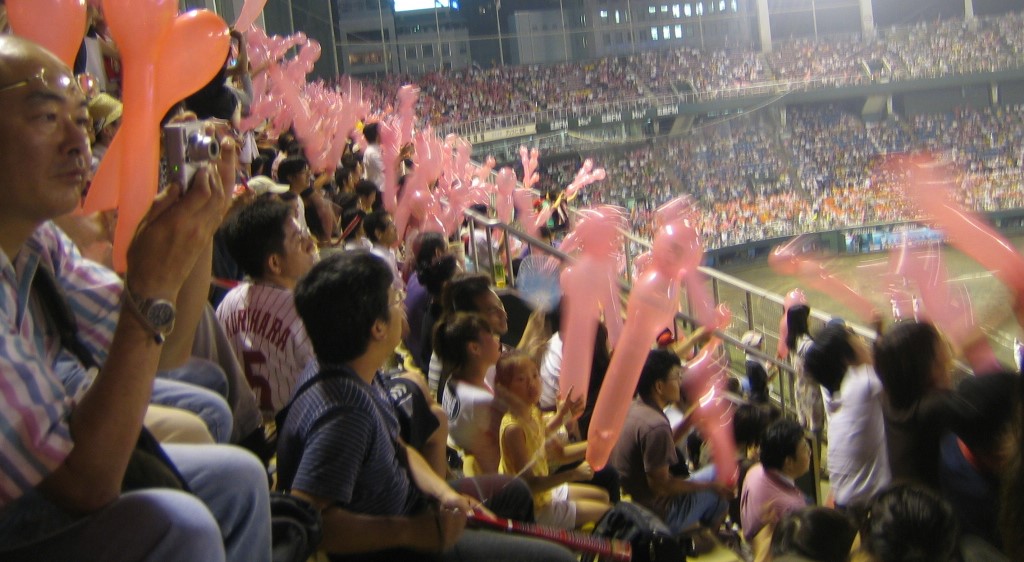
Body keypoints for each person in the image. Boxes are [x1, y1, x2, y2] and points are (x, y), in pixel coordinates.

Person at [0, 36, 270, 561]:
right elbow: (86, 482)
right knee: (180, 526)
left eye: (82, 120)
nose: (79, 144)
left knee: (238, 479)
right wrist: (150, 287)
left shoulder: (38, 240)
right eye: (47, 119)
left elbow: (167, 348)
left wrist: (201, 224)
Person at [276, 250, 576, 561]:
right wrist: (410, 530)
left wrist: (446, 494)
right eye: (394, 299)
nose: (403, 299)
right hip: (400, 542)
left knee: (514, 492)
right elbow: (311, 518)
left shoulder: (354, 368)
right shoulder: (343, 414)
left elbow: (398, 447)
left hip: (415, 506)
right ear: (377, 328)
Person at [609, 350, 731, 536]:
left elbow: (655, 448)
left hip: (634, 500)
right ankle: (706, 538)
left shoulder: (635, 408)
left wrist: (689, 421)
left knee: (713, 473)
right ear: (659, 386)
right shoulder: (656, 426)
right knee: (719, 484)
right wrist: (710, 487)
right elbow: (661, 486)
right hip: (660, 515)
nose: (680, 382)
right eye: (677, 377)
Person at [216, 196, 318, 415]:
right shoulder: (307, 311)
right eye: (298, 239)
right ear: (274, 263)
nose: (310, 244)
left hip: (248, 430)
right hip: (297, 431)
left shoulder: (227, 303)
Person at [494, 353, 610, 529]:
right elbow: (528, 485)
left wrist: (596, 442)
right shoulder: (514, 429)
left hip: (544, 493)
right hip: (532, 508)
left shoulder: (531, 411)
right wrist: (573, 474)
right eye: (521, 379)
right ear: (505, 388)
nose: (532, 384)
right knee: (607, 512)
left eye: (534, 375)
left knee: (604, 497)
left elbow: (558, 452)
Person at [802, 324, 890, 520]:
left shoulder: (835, 394)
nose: (864, 342)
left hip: (844, 502)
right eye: (856, 339)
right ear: (846, 360)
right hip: (867, 507)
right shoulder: (861, 382)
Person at [433, 312, 505, 474]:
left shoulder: (453, 379)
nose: (497, 341)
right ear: (474, 348)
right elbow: (520, 437)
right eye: (492, 336)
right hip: (501, 479)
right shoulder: (481, 401)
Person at [739, 418, 811, 544]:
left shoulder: (754, 471)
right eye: (804, 448)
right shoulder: (793, 508)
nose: (810, 452)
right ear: (788, 462)